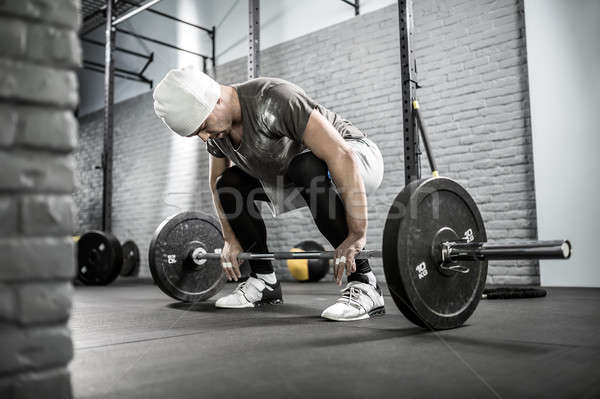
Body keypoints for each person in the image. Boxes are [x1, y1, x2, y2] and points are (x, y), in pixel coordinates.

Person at [153, 67, 385, 321]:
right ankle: (264, 281)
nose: (204, 136)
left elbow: (340, 155)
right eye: (197, 133)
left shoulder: (274, 98)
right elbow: (216, 184)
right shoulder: (217, 135)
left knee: (305, 166)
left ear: (215, 99)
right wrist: (230, 239)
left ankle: (365, 282)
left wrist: (357, 235)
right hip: (296, 175)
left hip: (356, 157)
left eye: (204, 126)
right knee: (228, 183)